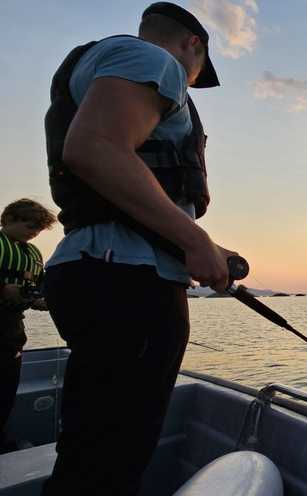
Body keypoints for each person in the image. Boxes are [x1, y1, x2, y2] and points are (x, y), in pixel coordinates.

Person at [41, 3, 236, 494]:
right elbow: (95, 147)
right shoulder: (153, 61)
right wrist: (194, 239)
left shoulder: (102, 63)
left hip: (95, 267)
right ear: (193, 45)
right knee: (111, 461)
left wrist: (201, 246)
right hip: (126, 280)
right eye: (197, 74)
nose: (189, 84)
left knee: (93, 450)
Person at [0, 199, 56, 453]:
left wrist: (40, 300)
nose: (33, 233)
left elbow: (38, 285)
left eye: (38, 230)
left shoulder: (33, 254)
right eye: (30, 226)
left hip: (11, 329)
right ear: (9, 219)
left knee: (6, 387)